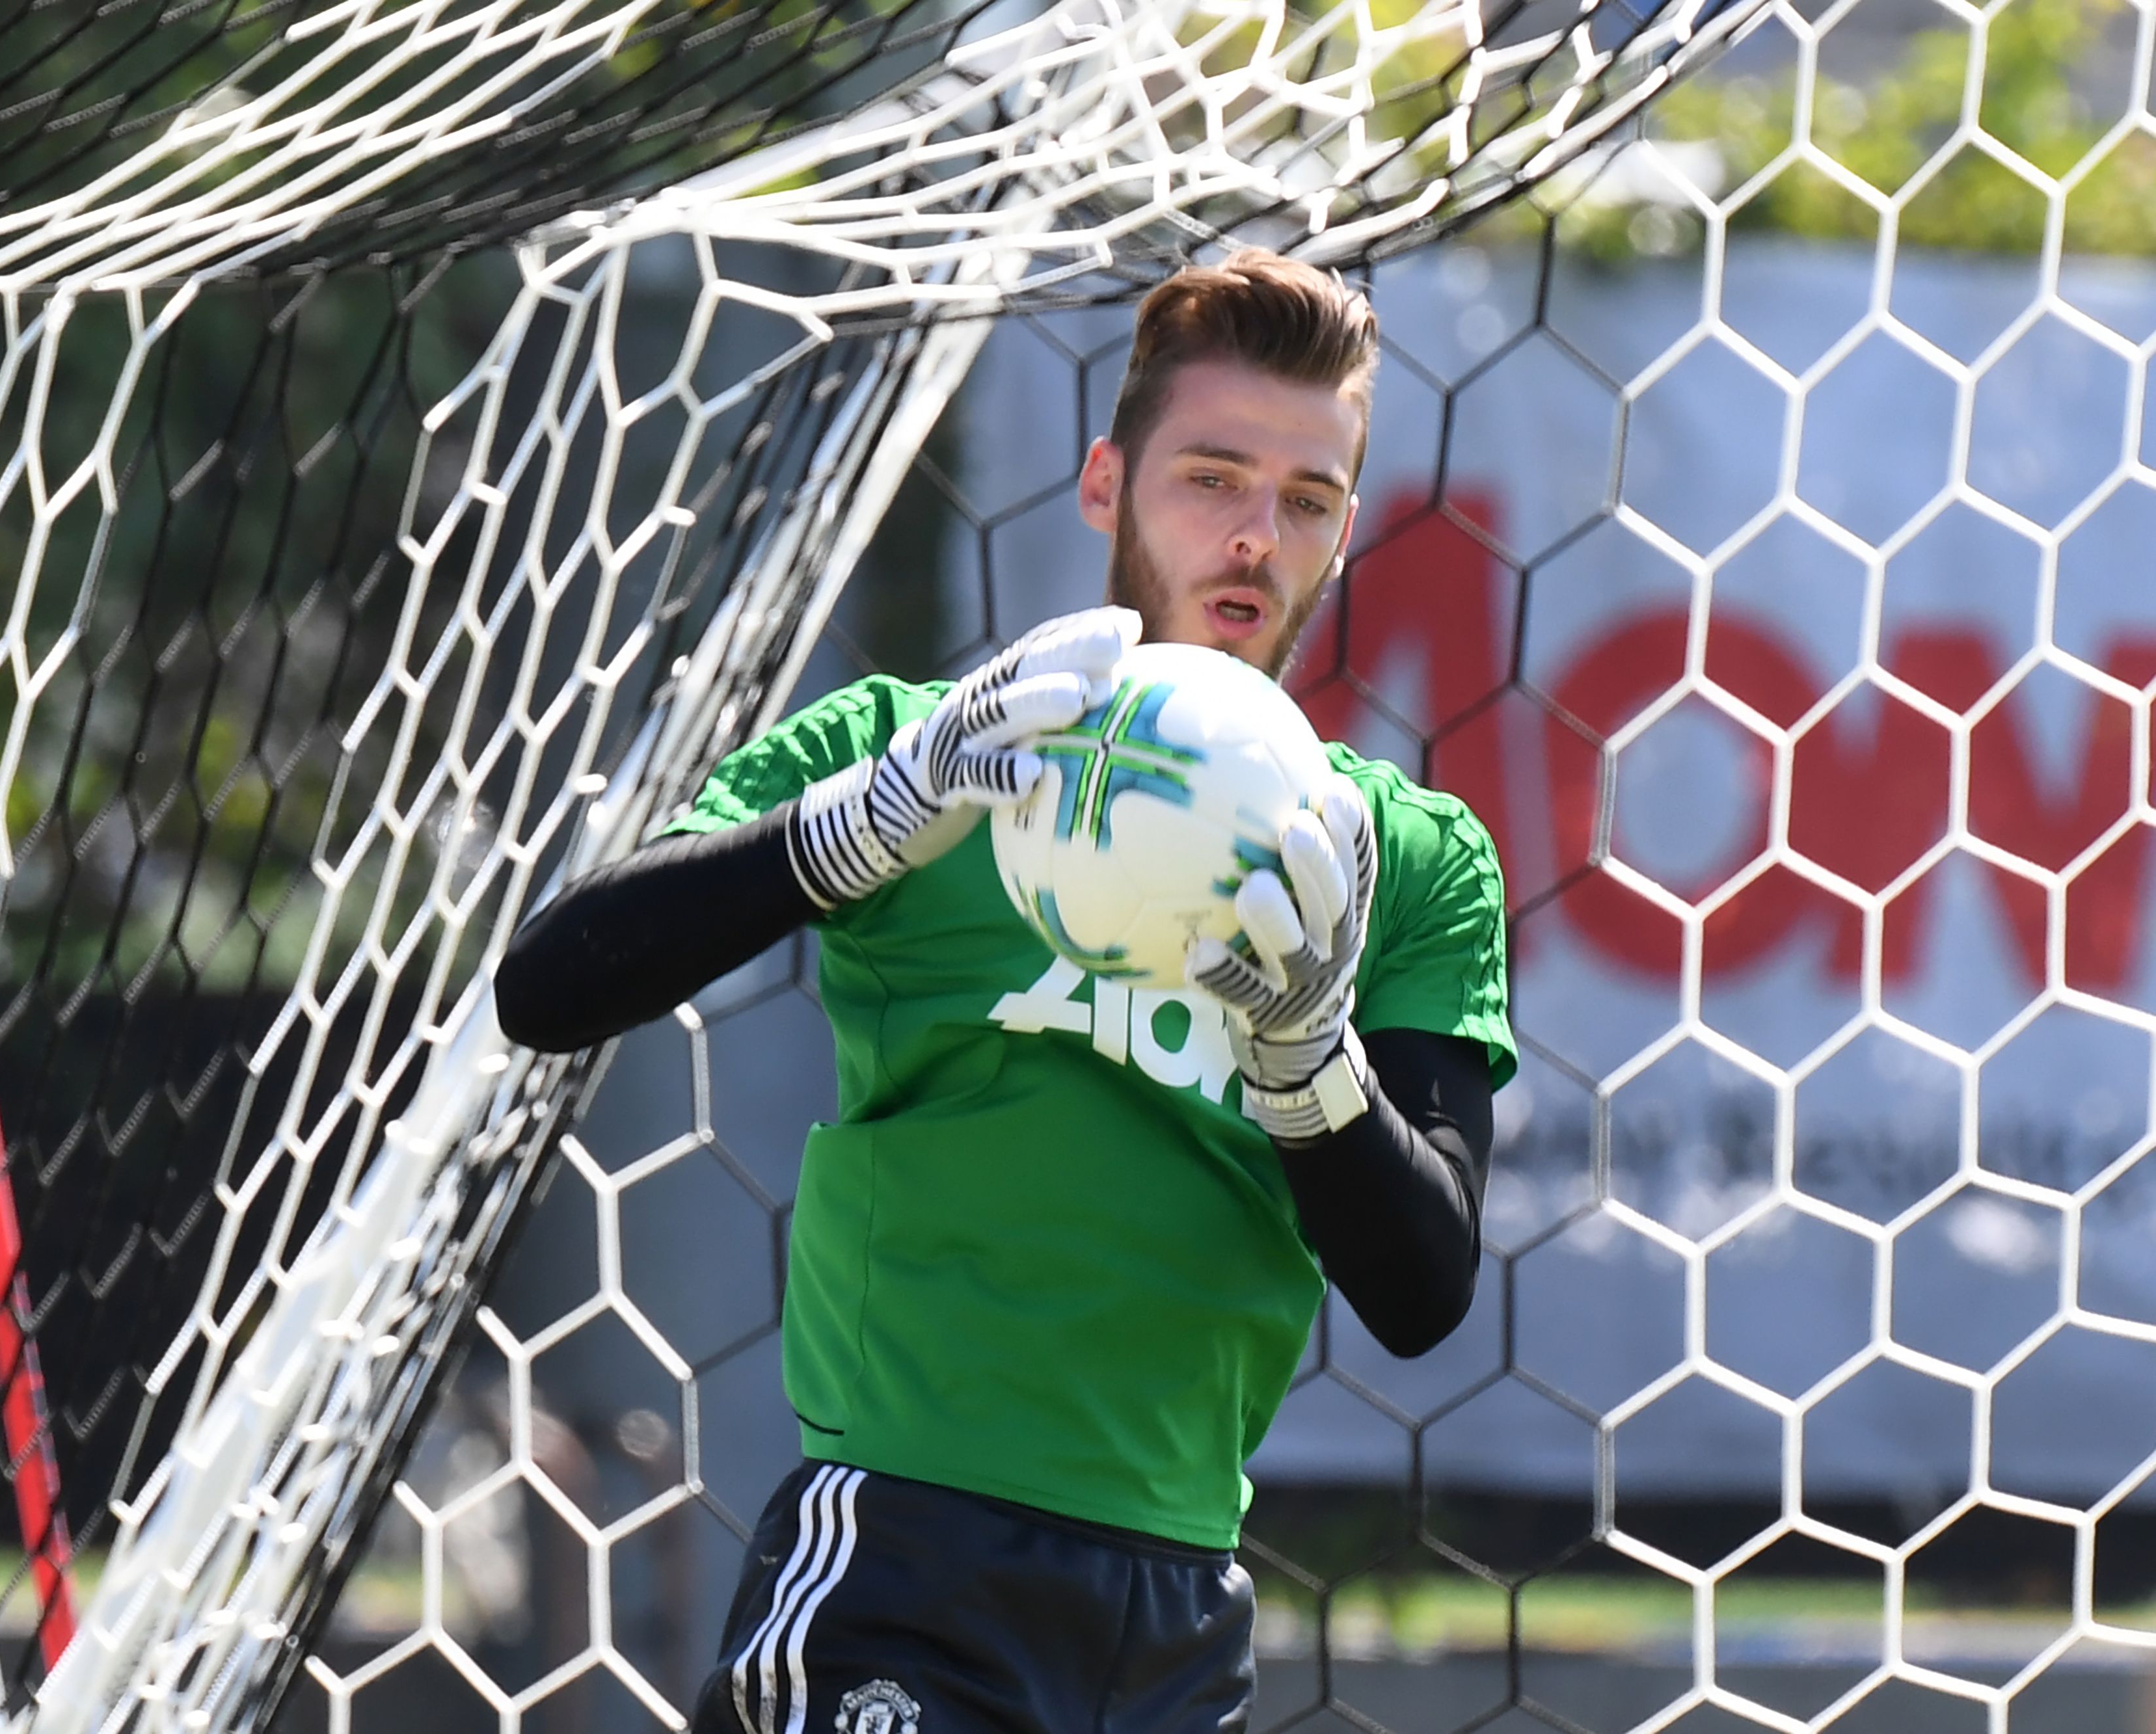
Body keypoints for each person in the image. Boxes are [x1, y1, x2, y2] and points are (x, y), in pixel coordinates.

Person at [494, 248, 1515, 1734]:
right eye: (1211, 478)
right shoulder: (918, 757)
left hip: (1178, 1614)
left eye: (1306, 499)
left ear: (1345, 532)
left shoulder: (1399, 856)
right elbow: (548, 984)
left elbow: (1424, 1291)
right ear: (1105, 484)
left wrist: (1307, 1062)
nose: (1255, 534)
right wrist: (852, 830)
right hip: (904, 1562)